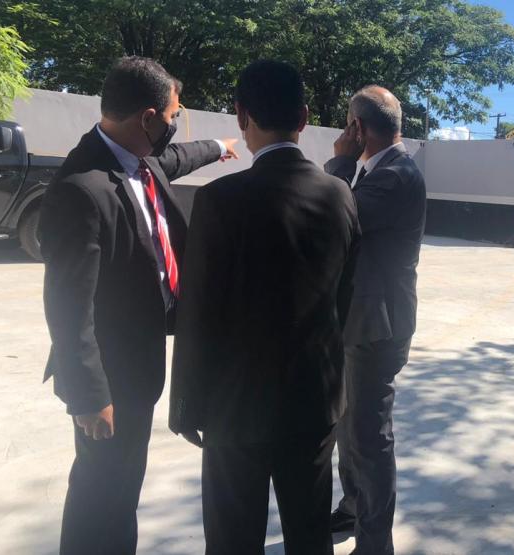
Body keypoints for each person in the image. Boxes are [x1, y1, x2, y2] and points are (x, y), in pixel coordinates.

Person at [40, 56, 237, 554]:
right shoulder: (80, 189)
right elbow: (67, 305)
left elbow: (179, 158)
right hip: (111, 374)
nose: (174, 125)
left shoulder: (138, 160)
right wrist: (88, 396)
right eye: (172, 116)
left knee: (123, 484)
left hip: (141, 360)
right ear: (148, 118)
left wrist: (220, 147)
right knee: (101, 490)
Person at [168, 60, 361, 555]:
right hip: (314, 397)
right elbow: (343, 297)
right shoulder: (339, 195)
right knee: (310, 534)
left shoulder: (218, 199)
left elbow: (197, 312)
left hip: (235, 404)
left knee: (233, 539)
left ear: (241, 116)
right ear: (304, 118)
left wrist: (185, 404)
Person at [324, 86, 427, 555]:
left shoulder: (395, 176)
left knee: (369, 437)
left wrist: (340, 164)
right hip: (361, 320)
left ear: (357, 128)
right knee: (350, 430)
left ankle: (374, 544)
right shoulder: (381, 171)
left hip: (378, 325)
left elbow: (333, 221)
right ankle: (353, 508)